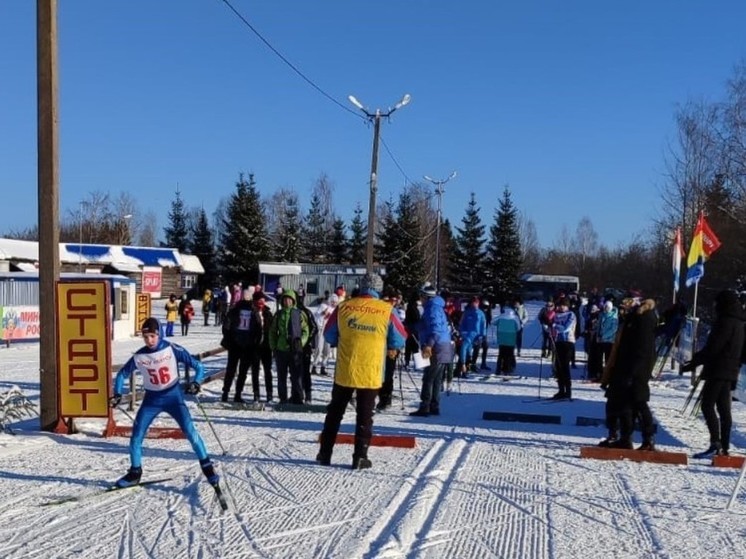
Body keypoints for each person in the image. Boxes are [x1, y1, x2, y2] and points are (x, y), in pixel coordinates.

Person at [108, 317, 220, 490]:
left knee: (190, 432)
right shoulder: (140, 356)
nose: (149, 340)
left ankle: (208, 467)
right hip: (152, 400)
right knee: (136, 435)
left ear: (159, 334)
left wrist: (197, 382)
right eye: (146, 337)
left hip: (173, 398)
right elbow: (122, 374)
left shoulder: (171, 348)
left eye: (152, 336)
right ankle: (134, 473)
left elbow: (198, 366)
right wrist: (116, 394)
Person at [317, 273, 407, 469]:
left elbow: (330, 335)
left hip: (346, 369)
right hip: (371, 370)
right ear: (378, 289)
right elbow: (400, 337)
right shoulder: (386, 310)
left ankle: (325, 453)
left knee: (335, 412)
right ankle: (360, 456)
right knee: (365, 415)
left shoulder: (344, 307)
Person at [682, 290, 745, 458]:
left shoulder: (725, 321)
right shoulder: (740, 322)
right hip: (730, 371)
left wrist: (694, 362)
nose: (714, 306)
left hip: (718, 369)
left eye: (716, 303)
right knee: (724, 409)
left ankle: (716, 443)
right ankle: (724, 447)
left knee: (707, 405)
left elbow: (714, 347)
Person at [601, 297, 658, 450]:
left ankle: (648, 439)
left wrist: (633, 372)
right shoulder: (633, 320)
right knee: (624, 405)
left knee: (639, 403)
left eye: (626, 307)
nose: (623, 310)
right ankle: (625, 438)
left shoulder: (643, 320)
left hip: (635, 370)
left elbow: (643, 350)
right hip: (625, 368)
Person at [410, 285, 454, 417]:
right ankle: (434, 405)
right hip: (443, 346)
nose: (420, 300)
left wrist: (428, 345)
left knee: (428, 377)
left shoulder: (432, 309)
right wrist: (412, 327)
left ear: (426, 297)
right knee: (436, 378)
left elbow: (435, 329)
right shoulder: (436, 308)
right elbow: (426, 326)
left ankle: (425, 406)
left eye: (421, 297)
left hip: (436, 346)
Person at [269, 289, 309, 404]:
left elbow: (305, 330)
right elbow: (272, 331)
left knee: (296, 375)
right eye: (285, 299)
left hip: (295, 349)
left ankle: (297, 397)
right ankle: (283, 398)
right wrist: (273, 346)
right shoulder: (279, 314)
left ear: (293, 301)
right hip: (281, 349)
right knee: (282, 376)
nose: (287, 301)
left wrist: (301, 342)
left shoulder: (298, 314)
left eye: (289, 299)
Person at [220, 290, 261, 403]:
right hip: (248, 345)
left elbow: (226, 326)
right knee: (243, 371)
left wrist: (229, 338)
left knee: (231, 369)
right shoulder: (253, 311)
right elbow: (258, 328)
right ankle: (238, 393)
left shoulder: (234, 310)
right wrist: (255, 342)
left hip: (234, 344)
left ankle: (225, 392)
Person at [251, 292, 275, 402]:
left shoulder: (268, 313)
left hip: (266, 346)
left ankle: (269, 393)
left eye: (263, 301)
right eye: (259, 301)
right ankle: (256, 393)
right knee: (255, 371)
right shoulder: (251, 313)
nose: (261, 303)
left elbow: (273, 329)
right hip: (255, 346)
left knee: (267, 371)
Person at [551, 298, 576, 400]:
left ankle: (568, 391)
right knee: (558, 367)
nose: (562, 307)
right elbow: (552, 328)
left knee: (565, 367)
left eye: (564, 305)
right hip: (558, 342)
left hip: (568, 342)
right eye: (560, 305)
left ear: (567, 306)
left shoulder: (571, 315)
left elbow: (566, 328)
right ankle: (561, 390)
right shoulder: (556, 315)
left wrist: (555, 325)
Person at [458, 296, 487, 377]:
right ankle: (463, 368)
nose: (475, 304)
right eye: (473, 302)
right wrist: (462, 332)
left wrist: (482, 335)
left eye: (476, 302)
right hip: (467, 335)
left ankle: (470, 365)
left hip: (476, 336)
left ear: (478, 303)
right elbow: (462, 323)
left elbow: (483, 325)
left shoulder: (481, 313)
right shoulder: (466, 312)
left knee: (473, 352)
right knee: (465, 350)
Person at [495, 302, 522, 374]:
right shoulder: (515, 317)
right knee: (509, 353)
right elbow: (519, 328)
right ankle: (507, 369)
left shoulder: (501, 316)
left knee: (501, 353)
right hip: (511, 336)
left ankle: (498, 369)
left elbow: (493, 322)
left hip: (501, 336)